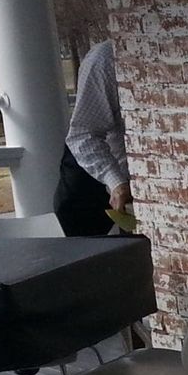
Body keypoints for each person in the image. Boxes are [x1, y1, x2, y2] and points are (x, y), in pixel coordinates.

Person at [54, 39, 129, 238]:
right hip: (91, 182)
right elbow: (82, 134)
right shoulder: (105, 59)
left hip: (134, 190)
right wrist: (116, 181)